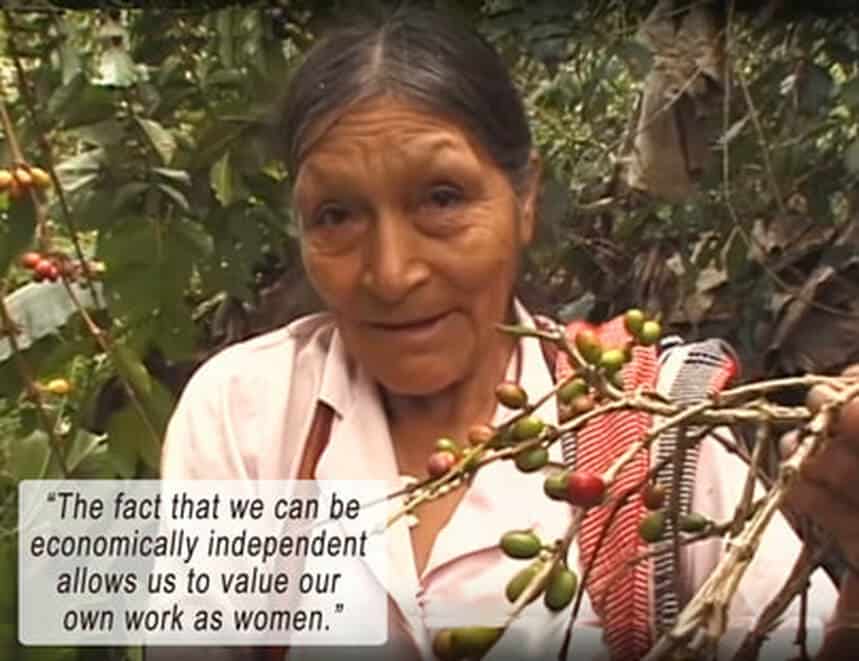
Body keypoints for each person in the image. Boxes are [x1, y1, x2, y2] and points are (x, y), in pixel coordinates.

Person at [152, 6, 859, 661]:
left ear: (523, 199)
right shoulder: (244, 411)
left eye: (441, 198)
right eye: (336, 215)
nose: (391, 273)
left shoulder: (652, 427)